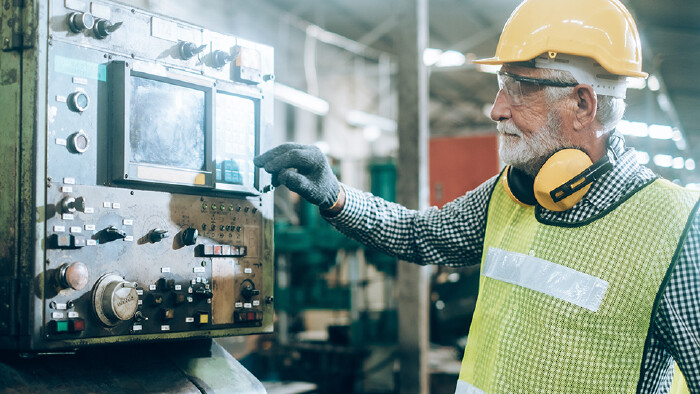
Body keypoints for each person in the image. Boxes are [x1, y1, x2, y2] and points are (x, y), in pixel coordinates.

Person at [254, 0, 700, 392]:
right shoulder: (514, 191)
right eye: (501, 85)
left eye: (521, 87)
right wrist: (335, 196)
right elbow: (418, 233)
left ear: (582, 105)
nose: (497, 108)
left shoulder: (674, 229)